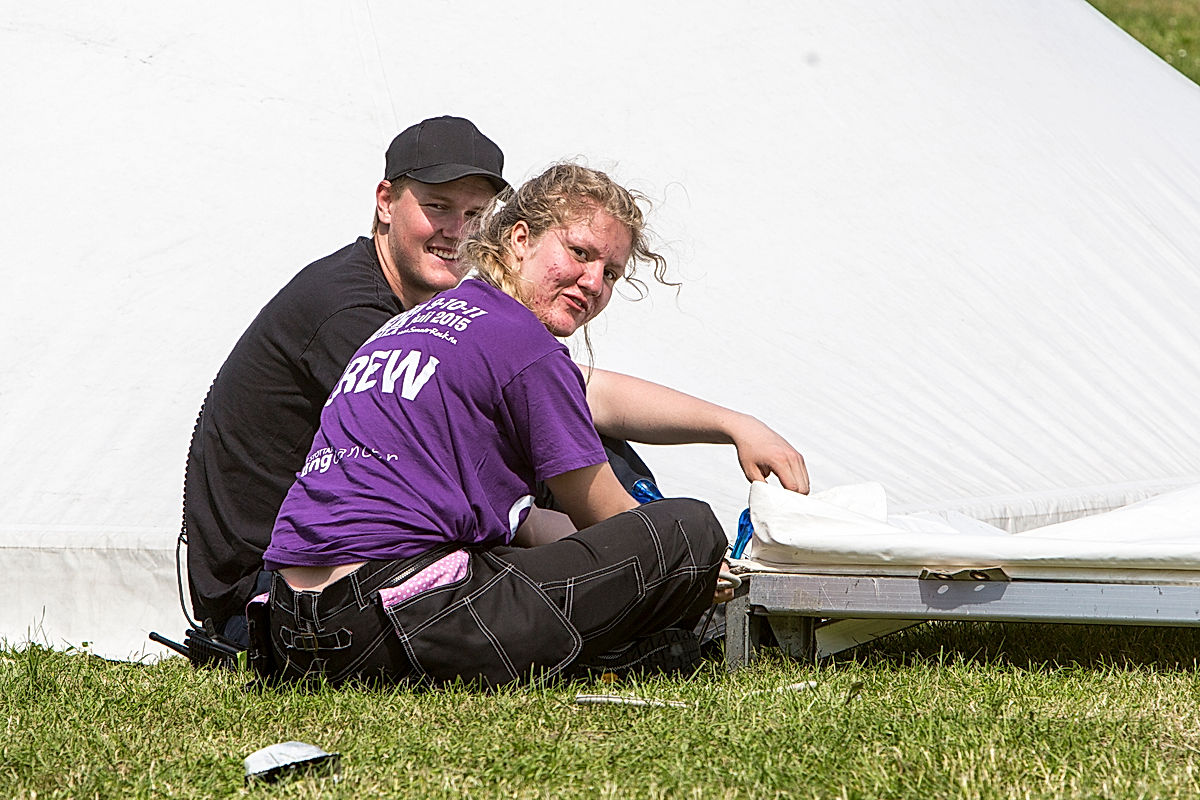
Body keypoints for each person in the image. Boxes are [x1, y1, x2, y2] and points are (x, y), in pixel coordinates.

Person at [186, 116, 809, 648]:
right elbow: (542, 415)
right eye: (436, 207)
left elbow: (576, 392)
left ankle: (664, 600)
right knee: (666, 522)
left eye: (474, 213)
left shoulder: (455, 320)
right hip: (262, 594)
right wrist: (665, 556)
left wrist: (731, 423)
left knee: (586, 446)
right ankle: (677, 609)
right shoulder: (348, 312)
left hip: (318, 599)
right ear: (384, 202)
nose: (458, 230)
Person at [254, 164, 735, 687]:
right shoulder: (524, 344)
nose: (593, 282)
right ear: (520, 239)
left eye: (612, 272)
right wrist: (700, 569)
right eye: (579, 252)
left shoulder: (409, 325)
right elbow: (611, 517)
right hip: (399, 618)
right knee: (687, 531)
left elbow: (529, 525)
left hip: (288, 630)